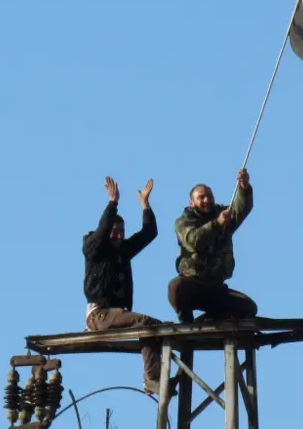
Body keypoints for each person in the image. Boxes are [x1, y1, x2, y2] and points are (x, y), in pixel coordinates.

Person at [83, 175, 163, 394]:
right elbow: (100, 233)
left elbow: (149, 233)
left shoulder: (122, 251)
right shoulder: (94, 249)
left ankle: (158, 376)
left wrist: (145, 205)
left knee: (159, 327)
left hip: (117, 313)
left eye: (122, 232)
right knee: (146, 323)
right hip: (99, 315)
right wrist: (112, 202)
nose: (119, 236)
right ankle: (153, 378)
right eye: (115, 232)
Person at [168, 168, 258, 323]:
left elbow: (241, 209)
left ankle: (206, 321)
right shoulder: (183, 222)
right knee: (176, 287)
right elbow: (194, 241)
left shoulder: (222, 214)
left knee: (248, 307)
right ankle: (187, 325)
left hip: (216, 286)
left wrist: (244, 188)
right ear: (192, 202)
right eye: (201, 197)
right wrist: (217, 224)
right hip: (193, 284)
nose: (206, 200)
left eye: (209, 196)